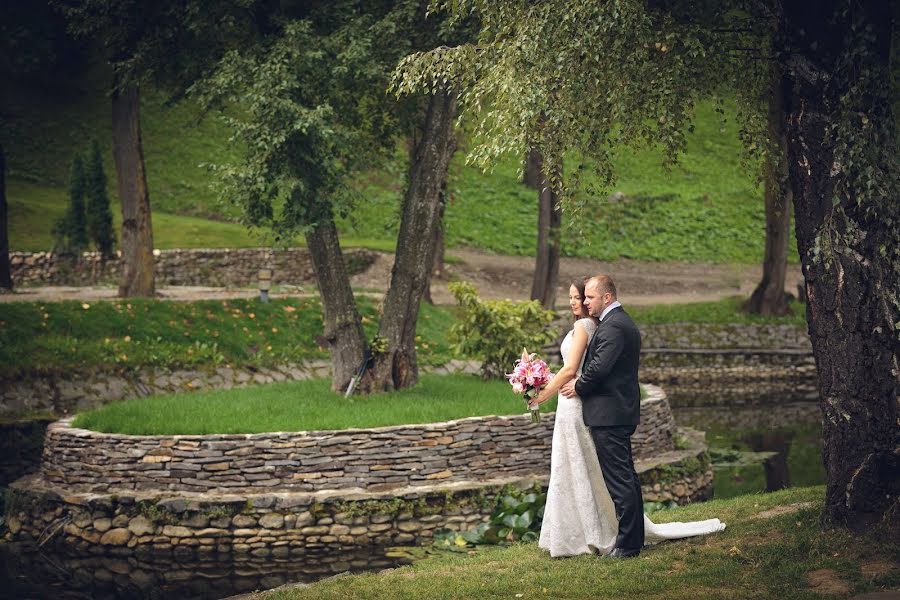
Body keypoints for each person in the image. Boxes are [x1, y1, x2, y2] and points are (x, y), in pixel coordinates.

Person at [531, 275, 725, 558]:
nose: (584, 302)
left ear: (606, 297)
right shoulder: (613, 323)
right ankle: (630, 537)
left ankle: (629, 544)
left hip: (611, 414)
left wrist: (578, 385)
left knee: (621, 479)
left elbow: (598, 368)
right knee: (625, 478)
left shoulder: (616, 326)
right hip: (612, 412)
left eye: (589, 297)